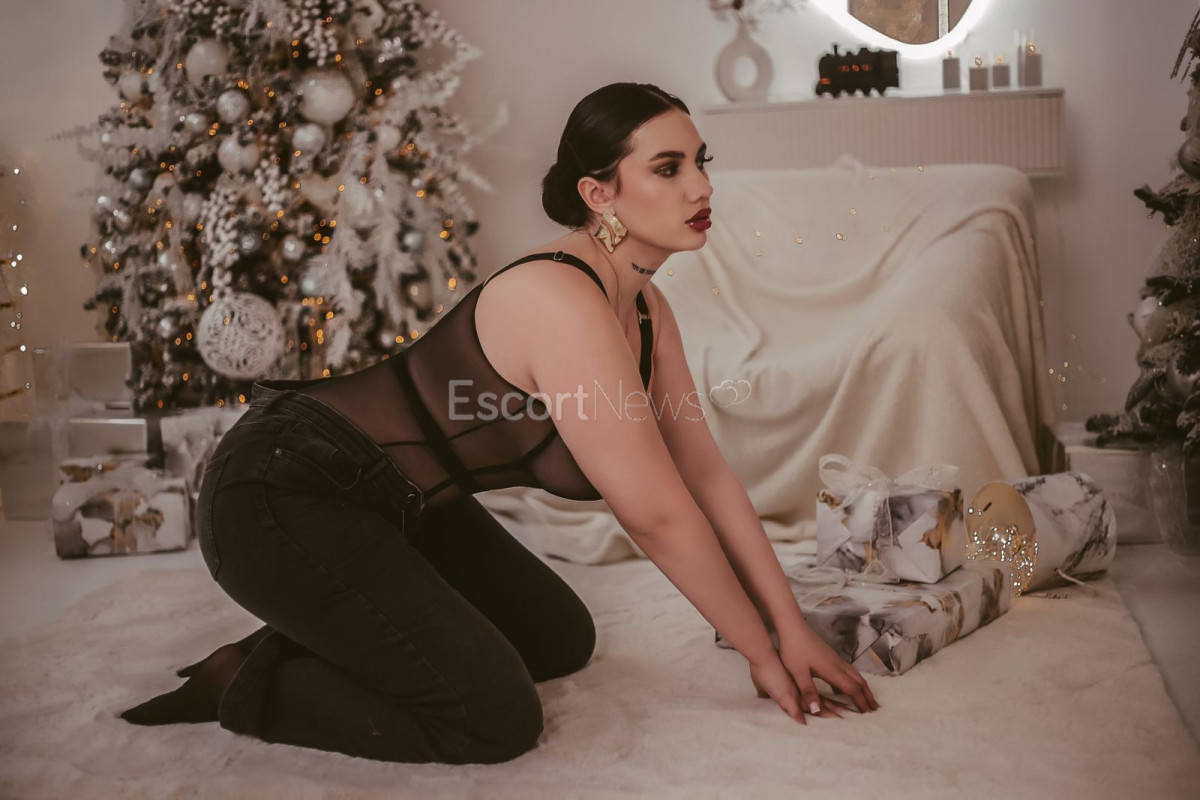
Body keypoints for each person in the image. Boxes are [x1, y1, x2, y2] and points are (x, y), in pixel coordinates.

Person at [119, 81, 880, 765]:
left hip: (404, 507)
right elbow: (654, 513)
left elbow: (704, 475)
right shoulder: (561, 297)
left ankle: (338, 624)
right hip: (282, 489)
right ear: (599, 193)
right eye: (668, 167)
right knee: (490, 719)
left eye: (701, 162)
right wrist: (761, 654)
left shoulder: (649, 309)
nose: (702, 185)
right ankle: (239, 680)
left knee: (557, 639)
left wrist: (790, 627)